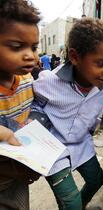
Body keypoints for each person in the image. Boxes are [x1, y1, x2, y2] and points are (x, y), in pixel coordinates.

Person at [29, 18, 103, 210]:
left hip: (81, 145)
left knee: (96, 179)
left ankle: (81, 206)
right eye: (102, 63)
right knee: (71, 203)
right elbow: (32, 104)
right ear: (75, 57)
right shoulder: (48, 82)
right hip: (53, 150)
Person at [0, 0, 41, 209]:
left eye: (34, 47)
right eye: (17, 47)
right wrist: (5, 134)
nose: (30, 55)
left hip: (16, 179)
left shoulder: (27, 81)